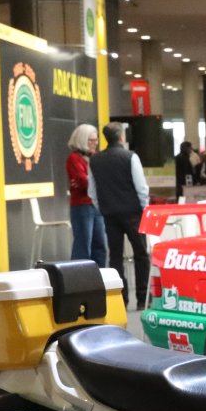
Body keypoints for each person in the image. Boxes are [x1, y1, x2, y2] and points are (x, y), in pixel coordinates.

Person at [88, 122, 150, 308]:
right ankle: (142, 298)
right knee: (141, 254)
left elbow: (92, 191)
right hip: (133, 213)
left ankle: (121, 299)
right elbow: (141, 188)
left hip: (109, 214)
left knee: (115, 257)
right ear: (122, 136)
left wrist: (102, 208)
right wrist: (144, 208)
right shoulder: (131, 157)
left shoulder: (95, 160)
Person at [65, 124, 107, 266]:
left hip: (96, 205)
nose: (95, 143)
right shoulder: (74, 158)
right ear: (82, 140)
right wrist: (98, 180)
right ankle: (79, 276)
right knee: (83, 245)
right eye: (91, 140)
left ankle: (100, 275)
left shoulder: (95, 157)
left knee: (100, 245)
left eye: (96, 140)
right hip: (82, 206)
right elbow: (83, 182)